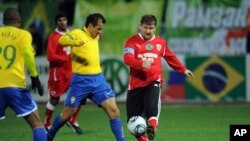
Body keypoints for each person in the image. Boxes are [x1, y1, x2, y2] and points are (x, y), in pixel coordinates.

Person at [47, 13, 126, 141]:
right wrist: (75, 42)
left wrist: (99, 34)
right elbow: (61, 40)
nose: (100, 31)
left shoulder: (95, 36)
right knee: (67, 115)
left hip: (98, 80)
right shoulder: (77, 33)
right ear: (90, 26)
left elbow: (96, 39)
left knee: (114, 111)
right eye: (99, 28)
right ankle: (49, 136)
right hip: (80, 81)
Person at [123, 14, 193, 141]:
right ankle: (146, 137)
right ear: (140, 26)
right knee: (132, 121)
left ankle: (152, 127)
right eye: (145, 28)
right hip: (135, 85)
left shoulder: (161, 43)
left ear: (155, 28)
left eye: (151, 28)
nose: (148, 31)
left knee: (151, 108)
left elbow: (171, 57)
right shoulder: (132, 41)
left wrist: (183, 69)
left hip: (153, 81)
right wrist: (141, 64)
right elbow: (127, 58)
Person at [0, 8, 47, 141]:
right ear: (19, 22)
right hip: (15, 86)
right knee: (37, 123)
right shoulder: (23, 34)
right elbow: (27, 54)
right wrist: (35, 77)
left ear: (4, 22)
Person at [44, 12, 83, 134]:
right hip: (58, 72)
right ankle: (46, 123)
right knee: (54, 99)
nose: (62, 22)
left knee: (81, 94)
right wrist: (66, 58)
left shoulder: (70, 34)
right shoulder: (54, 37)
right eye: (60, 20)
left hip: (71, 71)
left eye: (64, 19)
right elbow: (50, 56)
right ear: (57, 22)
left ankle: (71, 120)